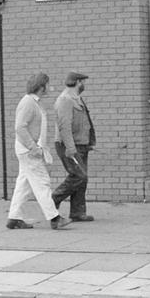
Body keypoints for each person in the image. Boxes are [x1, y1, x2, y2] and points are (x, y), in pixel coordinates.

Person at [6, 73, 70, 230]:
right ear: (41, 86)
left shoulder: (34, 102)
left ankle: (14, 218)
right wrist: (33, 147)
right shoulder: (28, 103)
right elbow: (20, 127)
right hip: (29, 151)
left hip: (27, 150)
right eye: (48, 84)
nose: (49, 87)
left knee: (24, 185)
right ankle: (54, 218)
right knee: (42, 183)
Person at [52, 70, 97, 222]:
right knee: (79, 175)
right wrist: (70, 148)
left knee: (82, 179)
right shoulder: (65, 99)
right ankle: (53, 200)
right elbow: (64, 126)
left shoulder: (76, 98)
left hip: (81, 144)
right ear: (78, 82)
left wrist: (88, 142)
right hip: (68, 145)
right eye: (83, 81)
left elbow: (84, 122)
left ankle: (77, 212)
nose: (85, 84)